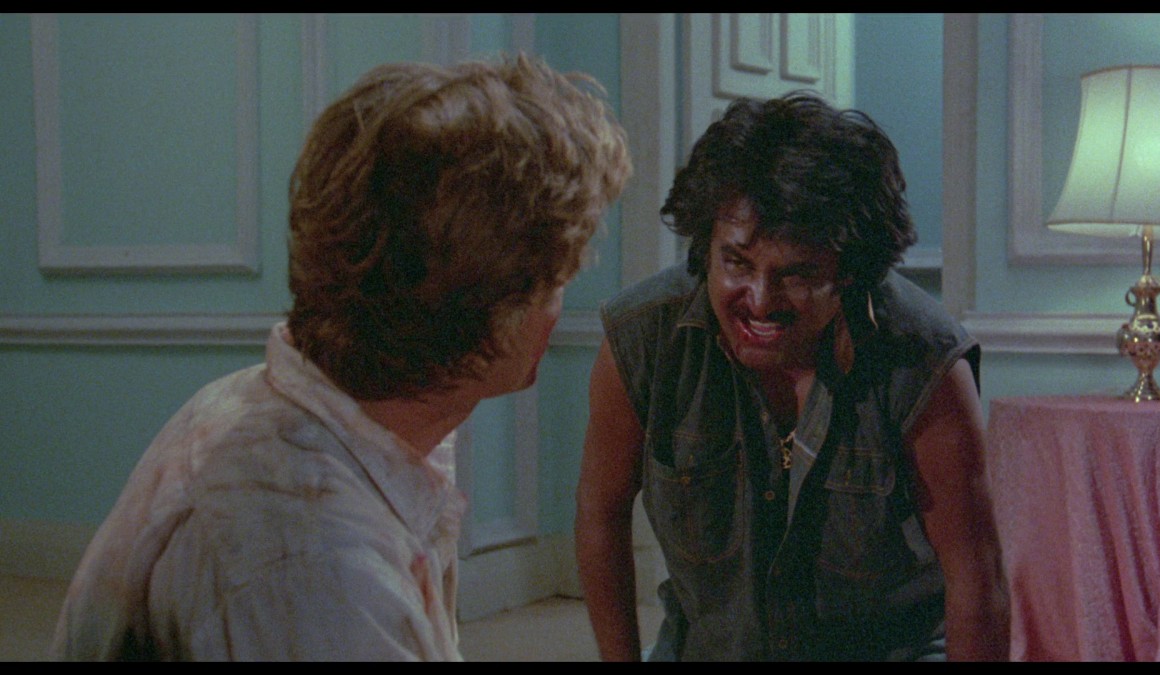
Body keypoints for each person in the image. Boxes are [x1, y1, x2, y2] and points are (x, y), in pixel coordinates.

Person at [51, 53, 631, 661]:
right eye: (555, 280)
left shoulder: (261, 406)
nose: (559, 304)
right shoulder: (316, 573)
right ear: (485, 311)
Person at [575, 92, 1009, 661]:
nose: (759, 301)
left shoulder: (923, 361)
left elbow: (976, 577)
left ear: (850, 271)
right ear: (706, 245)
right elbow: (600, 514)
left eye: (796, 274)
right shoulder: (643, 340)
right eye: (736, 263)